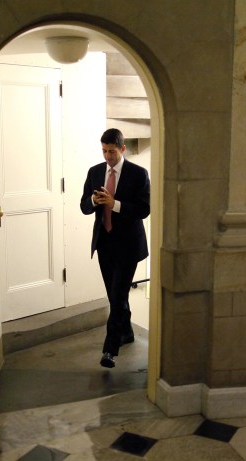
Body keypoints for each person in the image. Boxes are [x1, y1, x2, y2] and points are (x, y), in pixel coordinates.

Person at [80, 128, 150, 368]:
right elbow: (83, 206)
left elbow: (143, 210)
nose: (107, 156)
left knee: (118, 294)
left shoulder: (138, 174)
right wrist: (93, 201)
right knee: (115, 295)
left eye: (111, 151)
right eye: (103, 151)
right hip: (105, 244)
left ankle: (110, 349)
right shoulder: (95, 172)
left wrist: (115, 204)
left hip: (128, 245)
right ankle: (127, 331)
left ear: (122, 149)